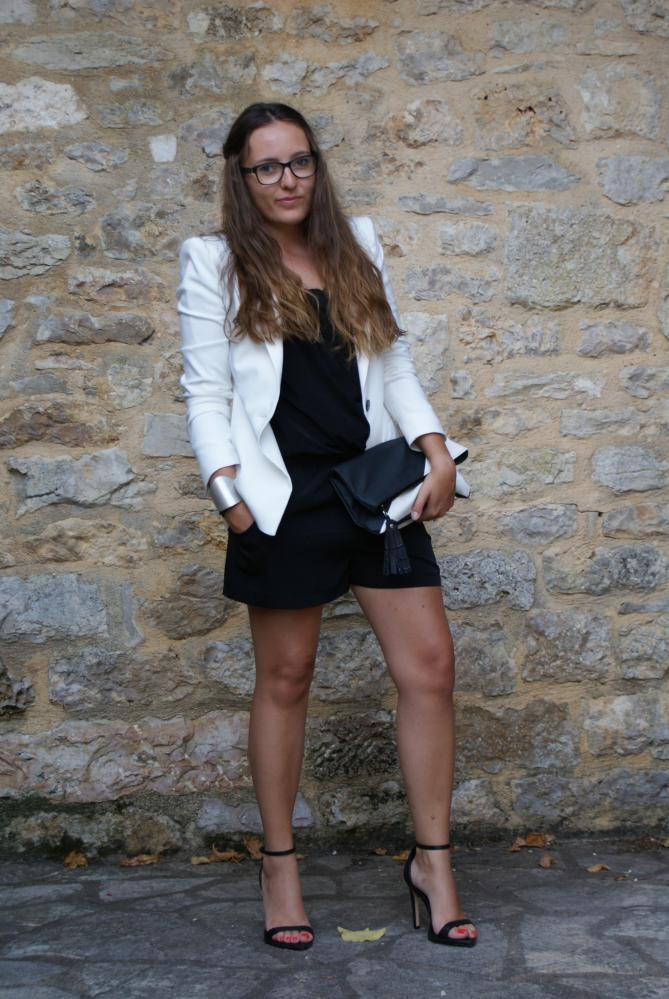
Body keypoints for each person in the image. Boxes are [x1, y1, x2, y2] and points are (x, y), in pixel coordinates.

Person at [177, 102, 477, 952]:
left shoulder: (356, 245)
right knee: (286, 677)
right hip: (281, 498)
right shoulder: (215, 262)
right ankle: (279, 866)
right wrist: (228, 497)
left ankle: (433, 865)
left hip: (372, 486)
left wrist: (433, 450)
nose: (287, 179)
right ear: (241, 177)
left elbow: (394, 360)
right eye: (267, 166)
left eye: (300, 161)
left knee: (429, 667)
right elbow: (204, 390)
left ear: (317, 165)